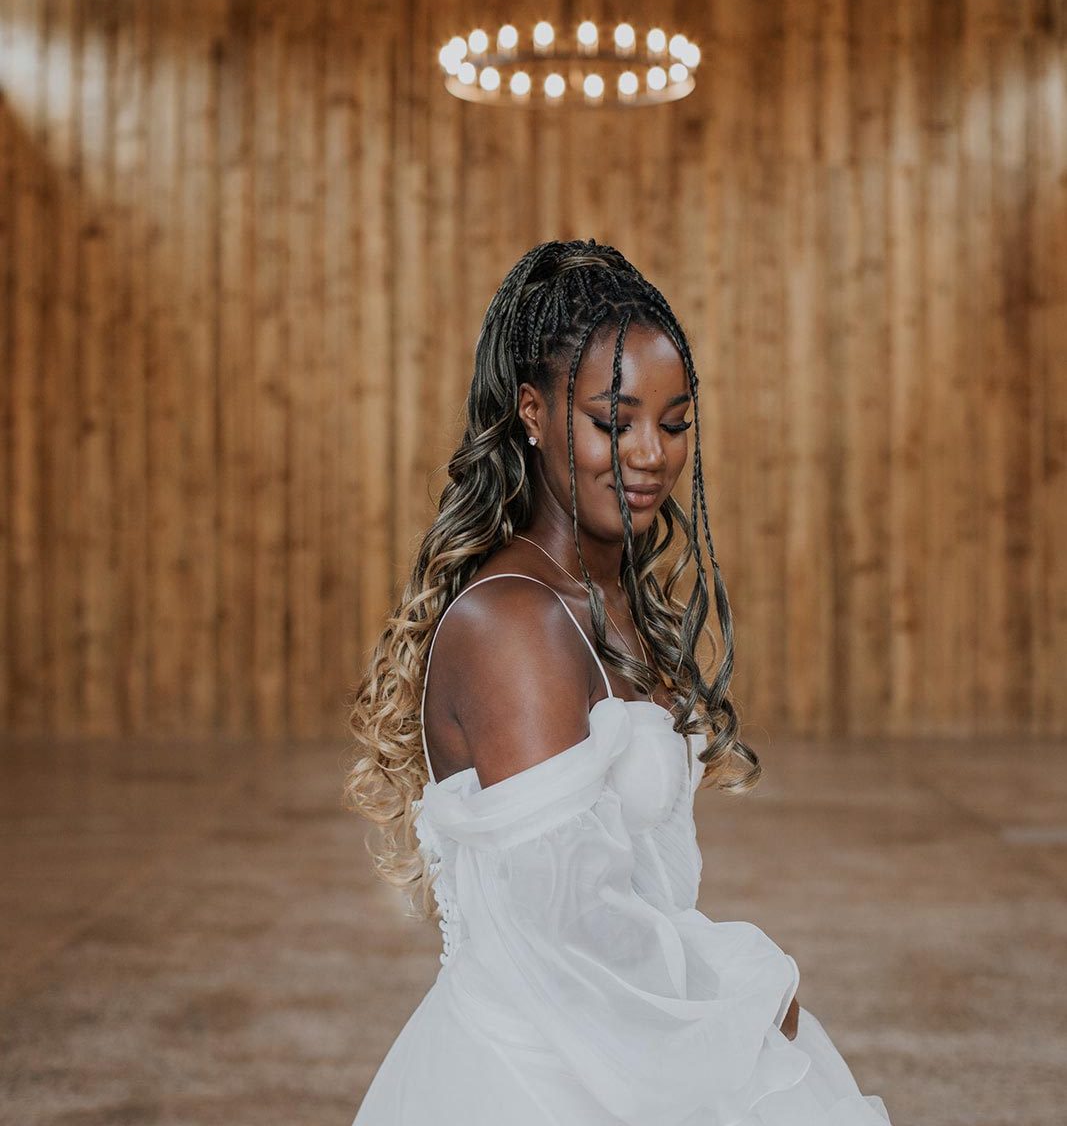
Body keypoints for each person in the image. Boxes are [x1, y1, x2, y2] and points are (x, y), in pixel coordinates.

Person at [344, 240, 893, 1124]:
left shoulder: (607, 595)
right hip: (540, 1078)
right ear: (531, 410)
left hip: (630, 1040)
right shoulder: (512, 625)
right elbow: (570, 931)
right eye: (613, 421)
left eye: (674, 424)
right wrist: (743, 984)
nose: (650, 455)